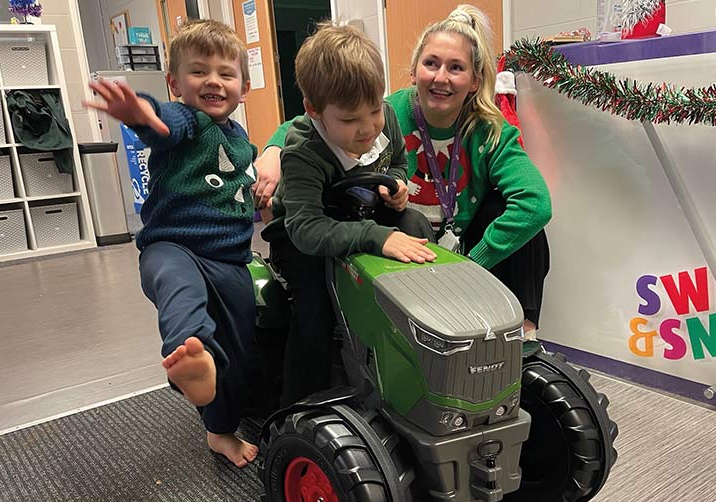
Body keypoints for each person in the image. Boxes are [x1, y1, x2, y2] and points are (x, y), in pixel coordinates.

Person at [258, 4, 552, 340]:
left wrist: (472, 263)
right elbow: (316, 124)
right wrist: (273, 149)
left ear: (475, 81)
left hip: (462, 245)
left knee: (522, 224)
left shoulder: (489, 130)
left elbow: (536, 202)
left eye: (456, 68)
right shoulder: (389, 110)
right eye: (431, 64)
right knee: (317, 297)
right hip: (401, 232)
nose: (441, 78)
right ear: (414, 71)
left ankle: (524, 337)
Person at [84, 19, 261, 467]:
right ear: (175, 82)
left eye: (226, 73)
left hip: (230, 260)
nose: (213, 81)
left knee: (241, 352)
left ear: (244, 86)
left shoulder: (242, 141)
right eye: (198, 71)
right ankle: (187, 353)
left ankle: (219, 428)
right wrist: (140, 112)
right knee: (184, 303)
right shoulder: (186, 121)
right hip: (173, 248)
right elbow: (160, 122)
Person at [261, 22, 437, 406]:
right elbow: (307, 228)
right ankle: (299, 410)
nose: (368, 128)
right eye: (350, 120)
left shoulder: (385, 117)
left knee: (417, 226)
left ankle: (421, 361)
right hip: (303, 235)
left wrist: (397, 183)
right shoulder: (303, 153)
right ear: (314, 111)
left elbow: (398, 163)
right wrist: (375, 236)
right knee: (316, 306)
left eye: (373, 111)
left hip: (365, 214)